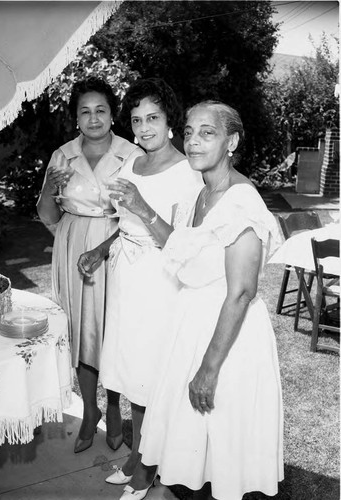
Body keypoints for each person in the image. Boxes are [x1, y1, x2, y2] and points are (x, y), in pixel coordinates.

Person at [124, 101, 284, 500]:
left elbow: (242, 292)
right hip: (193, 325)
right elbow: (184, 248)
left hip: (228, 338)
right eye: (190, 131)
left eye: (207, 133)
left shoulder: (242, 202)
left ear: (231, 141)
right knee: (191, 445)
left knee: (222, 447)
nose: (194, 141)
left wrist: (209, 368)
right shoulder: (202, 193)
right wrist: (142, 209)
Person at [77, 78, 203, 486]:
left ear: (170, 121)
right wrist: (101, 249)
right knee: (131, 371)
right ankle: (137, 457)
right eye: (136, 119)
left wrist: (141, 205)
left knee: (152, 373)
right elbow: (125, 223)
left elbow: (182, 243)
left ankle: (148, 468)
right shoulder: (132, 163)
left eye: (153, 117)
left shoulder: (188, 172)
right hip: (125, 273)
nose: (144, 127)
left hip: (159, 279)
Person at [37, 77, 142, 454]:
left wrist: (102, 247)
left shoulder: (133, 155)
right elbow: (47, 213)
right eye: (85, 111)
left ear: (113, 115)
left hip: (118, 245)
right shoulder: (62, 155)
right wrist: (50, 185)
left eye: (101, 110)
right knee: (79, 330)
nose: (93, 118)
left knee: (110, 330)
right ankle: (88, 409)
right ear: (75, 118)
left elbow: (140, 218)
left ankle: (114, 408)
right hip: (70, 246)